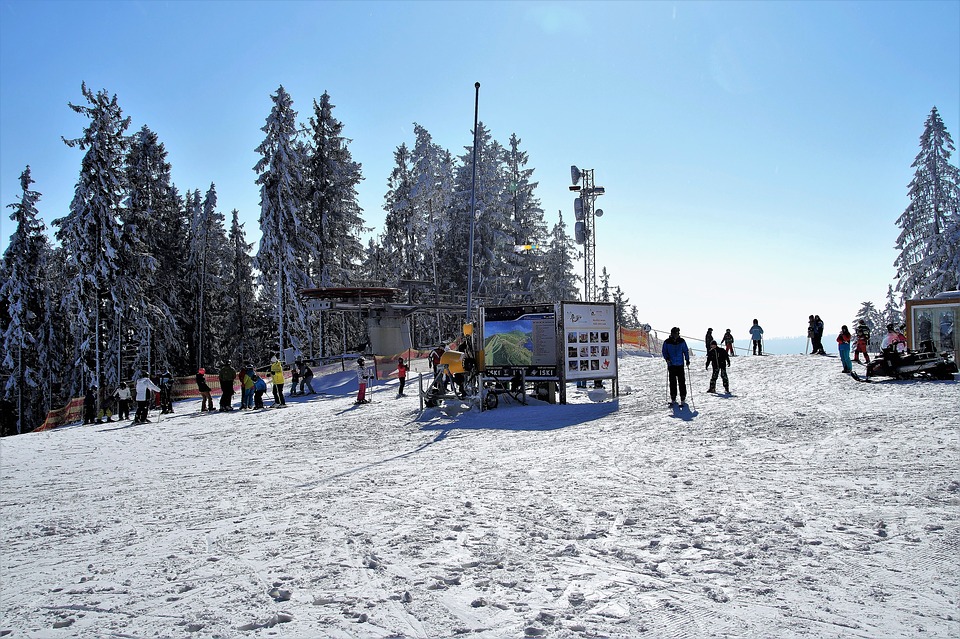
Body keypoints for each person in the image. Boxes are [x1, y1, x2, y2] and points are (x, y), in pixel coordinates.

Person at [661, 327, 690, 406]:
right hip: (671, 365)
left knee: (682, 382)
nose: (677, 335)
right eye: (676, 333)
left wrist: (687, 360)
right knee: (672, 382)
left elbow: (685, 350)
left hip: (680, 364)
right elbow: (664, 351)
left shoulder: (682, 341)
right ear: (672, 333)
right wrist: (667, 358)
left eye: (678, 333)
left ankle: (683, 398)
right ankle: (673, 398)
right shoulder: (667, 342)